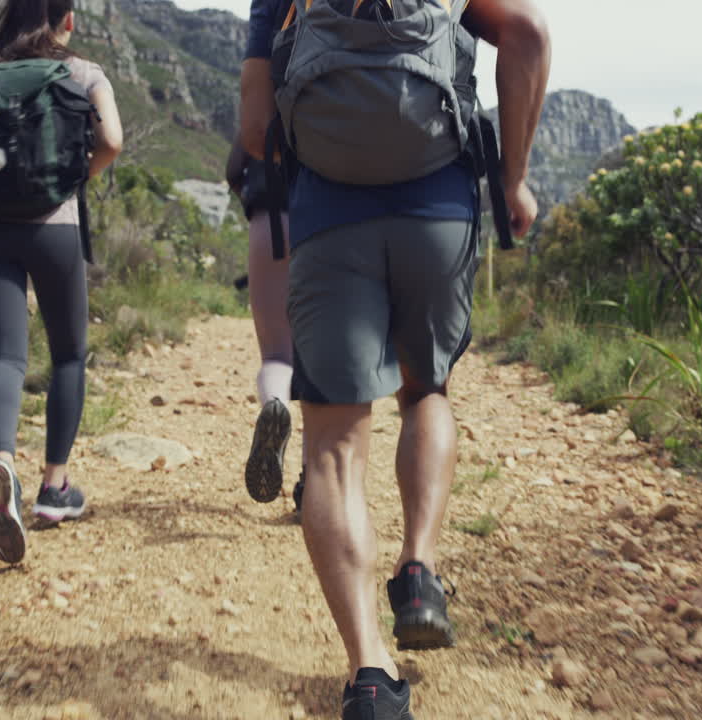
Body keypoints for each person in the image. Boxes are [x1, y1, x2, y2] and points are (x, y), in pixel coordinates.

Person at [239, 0, 550, 716]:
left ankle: (370, 675)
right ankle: (418, 570)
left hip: (328, 213)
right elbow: (528, 33)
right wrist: (513, 178)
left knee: (333, 444)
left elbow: (255, 128)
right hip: (437, 206)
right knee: (426, 391)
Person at [0, 0, 123, 564]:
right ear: (67, 20)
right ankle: (55, 489)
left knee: (6, 357)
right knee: (68, 356)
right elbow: (112, 140)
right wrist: (70, 179)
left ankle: (2, 462)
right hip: (53, 228)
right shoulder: (83, 72)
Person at [224, 136, 307, 517]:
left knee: (276, 353)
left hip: (271, 217)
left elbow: (233, 169)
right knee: (321, 366)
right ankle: (312, 484)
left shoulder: (269, 94)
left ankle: (276, 404)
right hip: (330, 221)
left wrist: (251, 195)